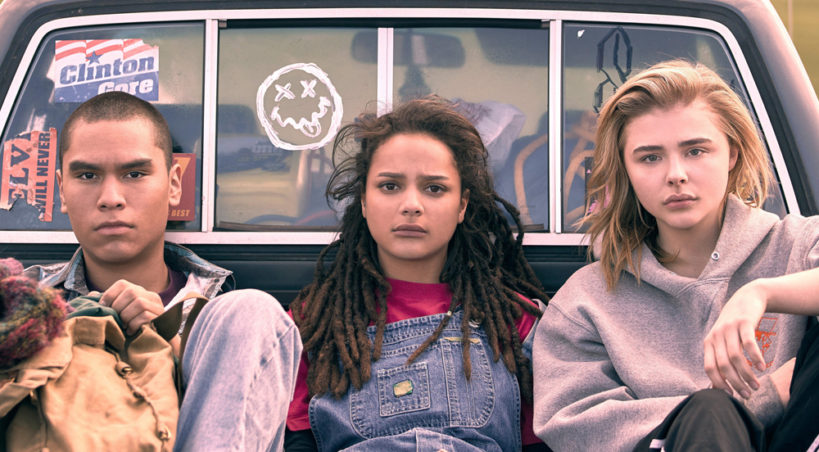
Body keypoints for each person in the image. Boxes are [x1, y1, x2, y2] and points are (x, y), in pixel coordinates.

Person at [532, 59, 819, 451]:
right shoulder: (586, 301)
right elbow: (574, 425)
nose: (676, 174)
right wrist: (757, 402)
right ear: (626, 170)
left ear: (731, 154)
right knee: (710, 411)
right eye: (650, 157)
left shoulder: (798, 244)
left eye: (695, 151)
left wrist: (761, 293)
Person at [23, 91, 302, 452]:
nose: (111, 198)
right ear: (62, 190)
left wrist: (169, 345)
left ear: (173, 185)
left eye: (134, 174)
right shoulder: (24, 299)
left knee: (253, 310)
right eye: (88, 175)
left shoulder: (225, 320)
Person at [284, 96, 550, 451]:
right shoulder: (309, 326)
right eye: (390, 186)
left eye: (434, 188)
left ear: (462, 205)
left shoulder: (515, 322)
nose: (411, 205)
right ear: (363, 200)